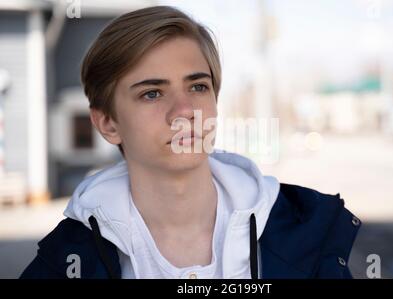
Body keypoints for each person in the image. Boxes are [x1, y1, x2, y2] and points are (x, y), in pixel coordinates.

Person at [20, 5, 361, 279]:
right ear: (108, 124)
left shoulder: (306, 233)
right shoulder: (66, 259)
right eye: (152, 93)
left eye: (198, 86)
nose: (184, 112)